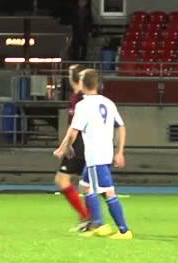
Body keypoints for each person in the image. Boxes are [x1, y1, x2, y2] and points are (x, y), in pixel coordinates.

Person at [53, 69, 131, 239]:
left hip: (96, 155)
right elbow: (121, 126)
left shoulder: (83, 105)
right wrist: (120, 151)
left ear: (82, 84)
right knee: (85, 186)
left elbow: (73, 131)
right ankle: (98, 224)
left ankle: (124, 230)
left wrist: (63, 147)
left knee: (108, 192)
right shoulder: (108, 102)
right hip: (101, 153)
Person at [54, 65, 92, 231]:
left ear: (73, 77)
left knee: (63, 180)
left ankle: (87, 218)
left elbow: (75, 128)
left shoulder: (80, 99)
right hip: (83, 145)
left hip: (79, 146)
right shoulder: (78, 97)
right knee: (87, 184)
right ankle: (89, 219)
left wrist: (65, 146)